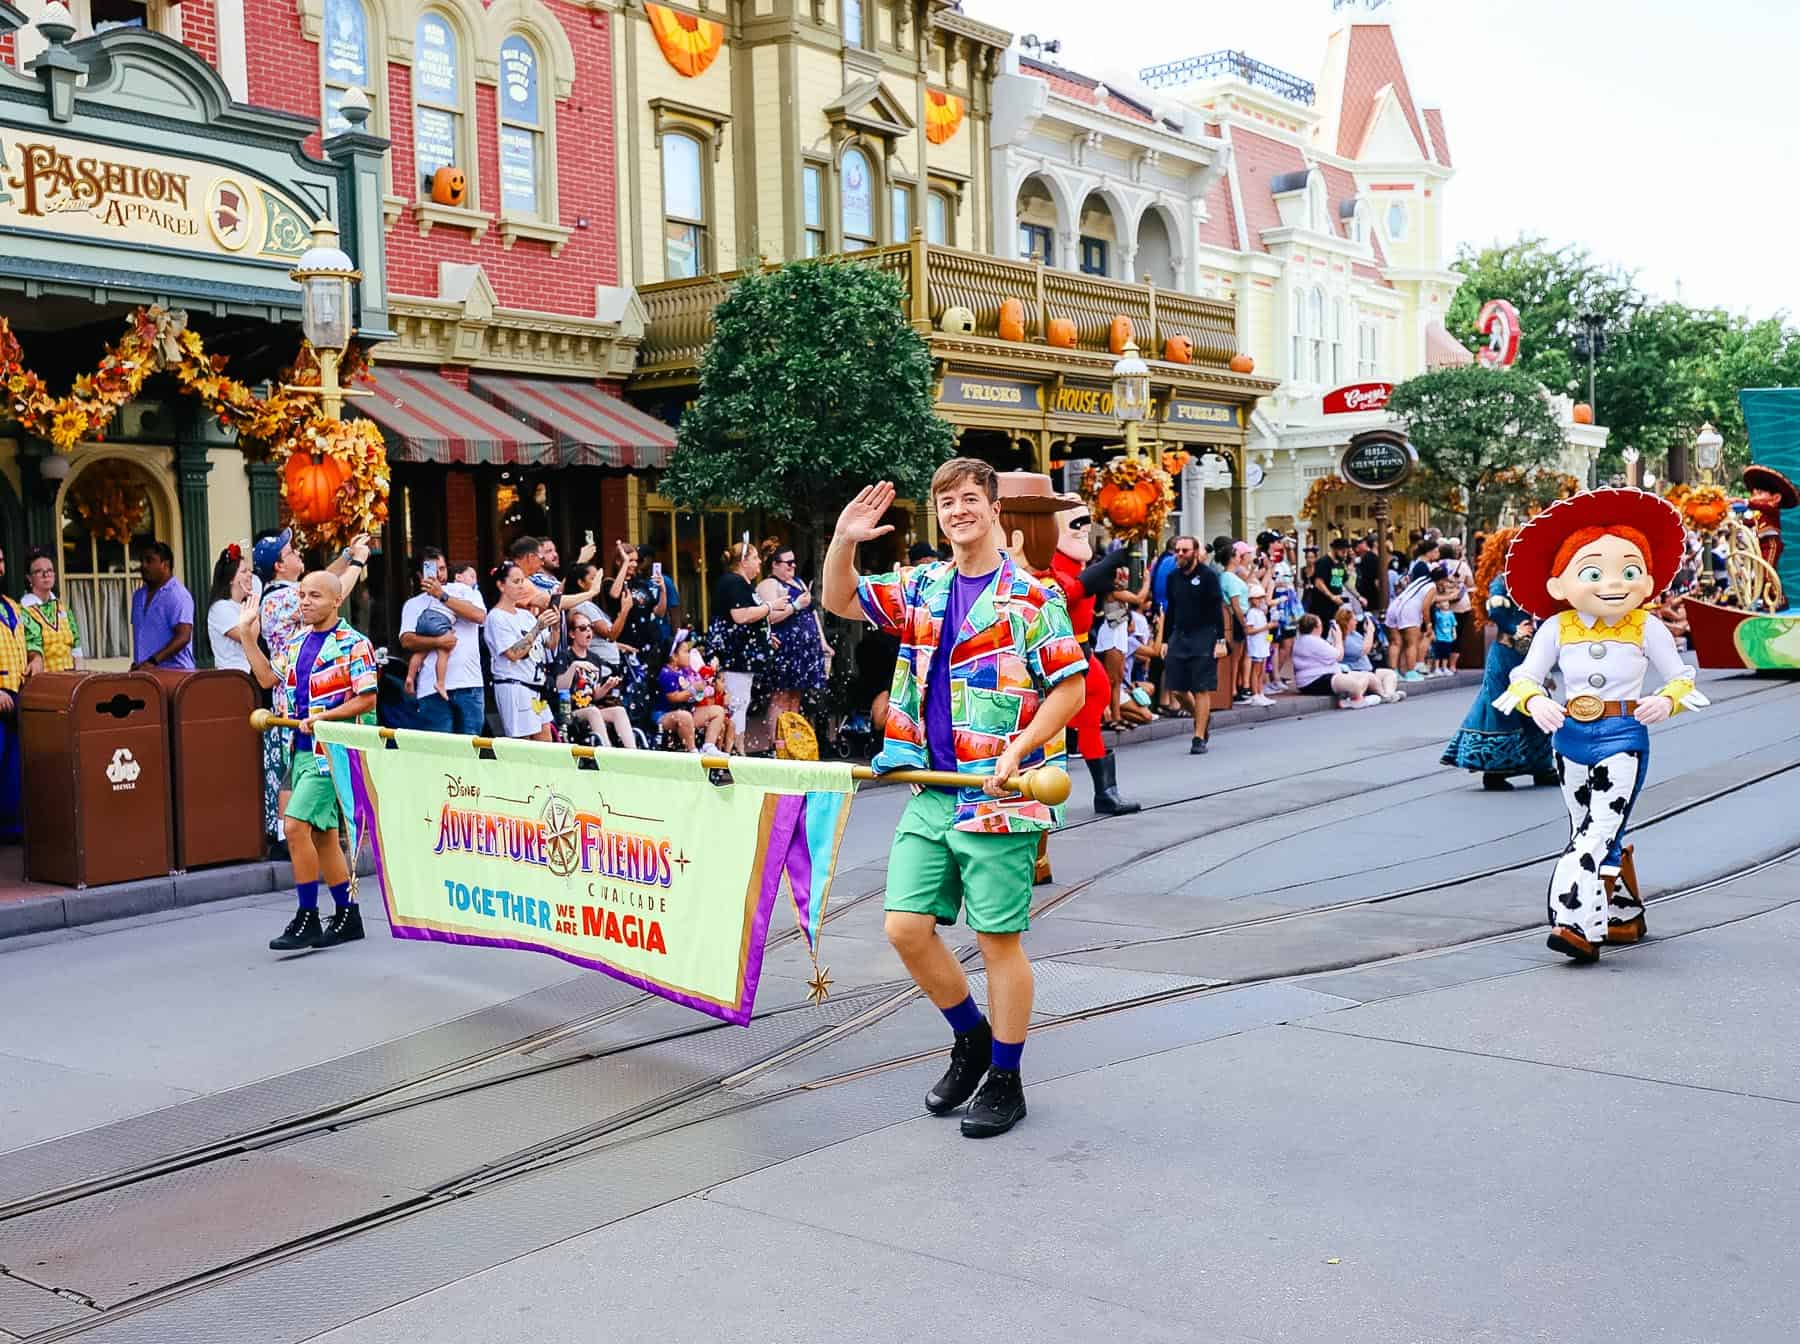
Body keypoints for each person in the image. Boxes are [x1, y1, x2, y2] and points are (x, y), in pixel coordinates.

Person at [822, 461, 1086, 1139]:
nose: (959, 510)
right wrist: (845, 538)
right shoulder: (924, 583)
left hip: (1001, 792)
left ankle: (1006, 1077)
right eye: (947, 501)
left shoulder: (1031, 596)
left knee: (998, 941)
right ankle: (971, 1038)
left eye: (971, 498)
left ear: (995, 509)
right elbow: (839, 600)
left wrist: (1020, 747)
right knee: (905, 928)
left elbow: (1070, 688)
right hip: (933, 788)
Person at [1494, 488, 1704, 962]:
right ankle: (1624, 914)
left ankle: (1577, 924)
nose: (1614, 583)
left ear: (1646, 579)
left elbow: (1681, 677)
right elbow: (1524, 675)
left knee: (1595, 831)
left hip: (1623, 736)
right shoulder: (1557, 627)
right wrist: (1536, 702)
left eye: (1629, 572)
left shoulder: (1645, 626)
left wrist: (1666, 701)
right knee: (1590, 826)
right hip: (1569, 738)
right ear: (1560, 584)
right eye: (1594, 573)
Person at [238, 570, 378, 952]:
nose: (304, 601)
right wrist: (248, 635)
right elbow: (268, 679)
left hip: (331, 754)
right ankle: (349, 915)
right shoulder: (297, 641)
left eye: (314, 595)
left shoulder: (355, 643)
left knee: (295, 826)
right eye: (301, 595)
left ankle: (307, 917)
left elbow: (368, 699)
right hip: (300, 750)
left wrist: (326, 718)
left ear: (337, 600)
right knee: (323, 836)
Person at [996, 474, 1139, 817]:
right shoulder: (1046, 563)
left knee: (1091, 709)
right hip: (1051, 656)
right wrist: (1089, 580)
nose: (1082, 528)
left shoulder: (1075, 559)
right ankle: (1038, 787)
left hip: (1080, 650)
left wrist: (1102, 577)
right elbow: (1053, 593)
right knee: (1056, 723)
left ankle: (1103, 791)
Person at [1442, 587, 1557, 790]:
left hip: (1527, 651)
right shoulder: (1502, 580)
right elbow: (1495, 611)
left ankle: (1542, 767)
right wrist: (1515, 628)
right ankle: (1495, 771)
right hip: (1505, 654)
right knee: (1502, 707)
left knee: (1535, 706)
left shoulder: (1529, 580)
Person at [398, 552, 488, 735]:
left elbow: (479, 616)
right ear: (420, 575)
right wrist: (438, 641)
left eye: (442, 568)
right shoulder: (413, 604)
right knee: (440, 754)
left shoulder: (464, 591)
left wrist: (442, 596)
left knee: (471, 749)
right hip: (431, 689)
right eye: (431, 569)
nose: (439, 574)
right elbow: (406, 640)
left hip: (469, 683)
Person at [710, 540, 786, 748]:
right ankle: (735, 750)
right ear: (743, 562)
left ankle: (738, 749)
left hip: (742, 657)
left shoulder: (742, 584)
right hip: (734, 659)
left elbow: (750, 620)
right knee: (736, 704)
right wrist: (771, 606)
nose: (759, 561)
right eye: (754, 557)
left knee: (740, 703)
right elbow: (741, 616)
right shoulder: (733, 582)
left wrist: (764, 637)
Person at [1157, 534, 1226, 755]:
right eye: (1177, 550)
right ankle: (1202, 717)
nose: (1180, 554)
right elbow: (1171, 609)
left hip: (1203, 635)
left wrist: (1220, 639)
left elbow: (1217, 609)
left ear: (1195, 553)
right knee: (1176, 688)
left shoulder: (1208, 576)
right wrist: (1166, 639)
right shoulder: (1173, 577)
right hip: (1180, 635)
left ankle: (1198, 737)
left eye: (1185, 550)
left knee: (1200, 687)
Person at [757, 540, 832, 729]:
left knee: (796, 696)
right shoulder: (769, 584)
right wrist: (795, 606)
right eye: (788, 562)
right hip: (784, 647)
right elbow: (769, 617)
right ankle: (776, 744)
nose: (793, 566)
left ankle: (792, 741)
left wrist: (822, 642)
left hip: (804, 648)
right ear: (775, 564)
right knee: (780, 695)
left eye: (794, 562)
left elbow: (812, 613)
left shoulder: (798, 582)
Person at [485, 560, 560, 741]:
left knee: (546, 740)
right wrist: (537, 628)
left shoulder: (526, 615)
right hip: (515, 687)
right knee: (523, 746)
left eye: (523, 581)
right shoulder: (496, 617)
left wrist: (555, 626)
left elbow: (549, 644)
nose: (521, 586)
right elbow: (513, 653)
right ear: (501, 585)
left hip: (537, 689)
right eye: (516, 582)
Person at [554, 610, 634, 747]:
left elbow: (594, 695)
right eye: (583, 628)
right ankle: (607, 753)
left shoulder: (595, 658)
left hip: (590, 708)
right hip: (569, 712)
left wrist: (607, 686)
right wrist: (574, 667)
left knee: (619, 711)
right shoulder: (565, 656)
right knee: (593, 711)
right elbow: (560, 687)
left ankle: (634, 755)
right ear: (572, 634)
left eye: (590, 627)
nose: (588, 631)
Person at [1291, 614, 1386, 708]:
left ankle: (1383, 696)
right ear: (1316, 627)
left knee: (1368, 676)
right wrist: (1338, 638)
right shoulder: (1312, 641)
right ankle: (1360, 699)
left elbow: (1328, 654)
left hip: (1326, 674)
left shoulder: (1302, 640)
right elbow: (1339, 656)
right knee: (1356, 684)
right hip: (1315, 679)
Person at [130, 540, 195, 670]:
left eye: (149, 560)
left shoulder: (178, 595)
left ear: (165, 564)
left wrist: (153, 661)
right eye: (141, 561)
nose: (143, 565)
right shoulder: (138, 596)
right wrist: (138, 662)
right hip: (145, 674)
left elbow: (183, 636)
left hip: (175, 674)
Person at [654, 640, 726, 751]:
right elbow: (674, 698)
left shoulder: (684, 671)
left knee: (718, 711)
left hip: (686, 711)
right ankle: (692, 751)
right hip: (664, 716)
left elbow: (695, 693)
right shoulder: (666, 673)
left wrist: (706, 683)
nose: (689, 655)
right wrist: (693, 690)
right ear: (674, 656)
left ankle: (709, 746)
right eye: (686, 652)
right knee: (684, 716)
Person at [22, 547, 83, 675]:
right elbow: (32, 646)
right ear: (29, 578)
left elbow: (76, 644)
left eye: (50, 570)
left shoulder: (63, 607)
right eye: (39, 571)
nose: (46, 574)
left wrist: (79, 672)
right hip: (44, 681)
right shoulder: (23, 610)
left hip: (71, 678)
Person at [0, 548, 24, 842]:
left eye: (2, 561)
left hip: (18, 696)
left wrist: (35, 657)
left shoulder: (13, 607)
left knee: (13, 768)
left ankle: (11, 830)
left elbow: (30, 645)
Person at [1332, 606, 1402, 703]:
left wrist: (1366, 632)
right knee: (1371, 677)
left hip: (1368, 669)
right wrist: (1370, 631)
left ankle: (1389, 694)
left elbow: (1368, 645)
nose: (1356, 621)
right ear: (1346, 622)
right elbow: (1364, 650)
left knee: (1389, 674)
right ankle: (1385, 695)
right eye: (1354, 619)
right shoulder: (1342, 638)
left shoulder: (1355, 634)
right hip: (1357, 671)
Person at [205, 543, 254, 672]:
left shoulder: (243, 606)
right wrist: (254, 602)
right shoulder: (220, 608)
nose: (250, 575)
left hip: (248, 674)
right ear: (231, 578)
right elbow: (249, 638)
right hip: (233, 677)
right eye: (244, 571)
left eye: (250, 571)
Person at [1304, 535, 1353, 625]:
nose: (1345, 555)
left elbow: (1345, 581)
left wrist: (1358, 596)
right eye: (1343, 552)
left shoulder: (1340, 564)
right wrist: (1332, 597)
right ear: (1335, 550)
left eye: (1346, 552)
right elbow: (1318, 583)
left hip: (1335, 606)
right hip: (1321, 606)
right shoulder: (1323, 562)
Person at [1243, 584, 1273, 706]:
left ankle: (1260, 693)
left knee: (1261, 670)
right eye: (1257, 598)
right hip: (1256, 646)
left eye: (1261, 598)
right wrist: (1266, 627)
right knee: (1256, 671)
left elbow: (1265, 630)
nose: (1260, 601)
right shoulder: (1251, 613)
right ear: (1251, 600)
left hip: (1262, 645)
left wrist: (1268, 637)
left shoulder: (1260, 613)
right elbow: (1248, 631)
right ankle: (1255, 694)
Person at [1429, 593, 1459, 676]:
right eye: (1444, 602)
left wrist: (1454, 633)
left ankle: (1445, 667)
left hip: (1448, 638)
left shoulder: (1451, 614)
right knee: (1437, 654)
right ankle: (1437, 668)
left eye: (1447, 602)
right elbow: (1434, 625)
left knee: (1446, 654)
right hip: (1439, 637)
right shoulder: (1437, 614)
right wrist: (1433, 633)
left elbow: (1453, 625)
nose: (1446, 604)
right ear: (1438, 604)